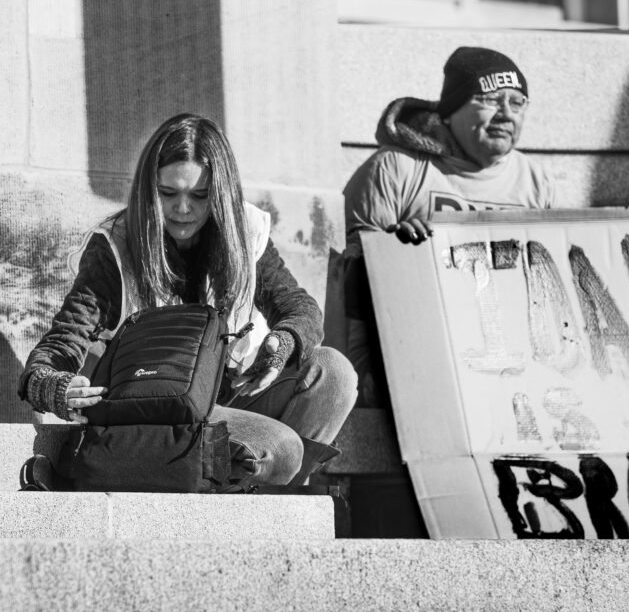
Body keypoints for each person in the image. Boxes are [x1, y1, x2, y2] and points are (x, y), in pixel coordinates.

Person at [19, 112, 357, 490]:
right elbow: (62, 341)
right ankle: (237, 484)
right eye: (168, 194)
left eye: (200, 195)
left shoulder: (244, 232)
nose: (183, 209)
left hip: (225, 401)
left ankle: (259, 495)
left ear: (222, 193)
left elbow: (301, 308)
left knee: (333, 370)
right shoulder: (115, 246)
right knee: (281, 448)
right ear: (149, 189)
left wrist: (281, 345)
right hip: (156, 414)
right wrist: (53, 385)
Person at [342, 45, 559, 408]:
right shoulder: (395, 169)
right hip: (413, 376)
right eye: (490, 99)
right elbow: (347, 283)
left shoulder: (537, 182)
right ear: (453, 107)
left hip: (510, 383)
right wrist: (363, 383)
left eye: (518, 103)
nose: (506, 114)